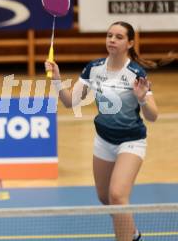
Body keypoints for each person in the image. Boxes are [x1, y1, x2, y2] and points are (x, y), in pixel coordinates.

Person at [45, 21, 159, 241]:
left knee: (117, 196)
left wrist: (142, 98)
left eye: (118, 37)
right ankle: (133, 233)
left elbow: (153, 116)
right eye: (109, 36)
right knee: (105, 198)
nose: (112, 40)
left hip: (131, 141)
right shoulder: (93, 68)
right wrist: (57, 79)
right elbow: (70, 102)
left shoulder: (136, 73)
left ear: (130, 43)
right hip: (104, 140)